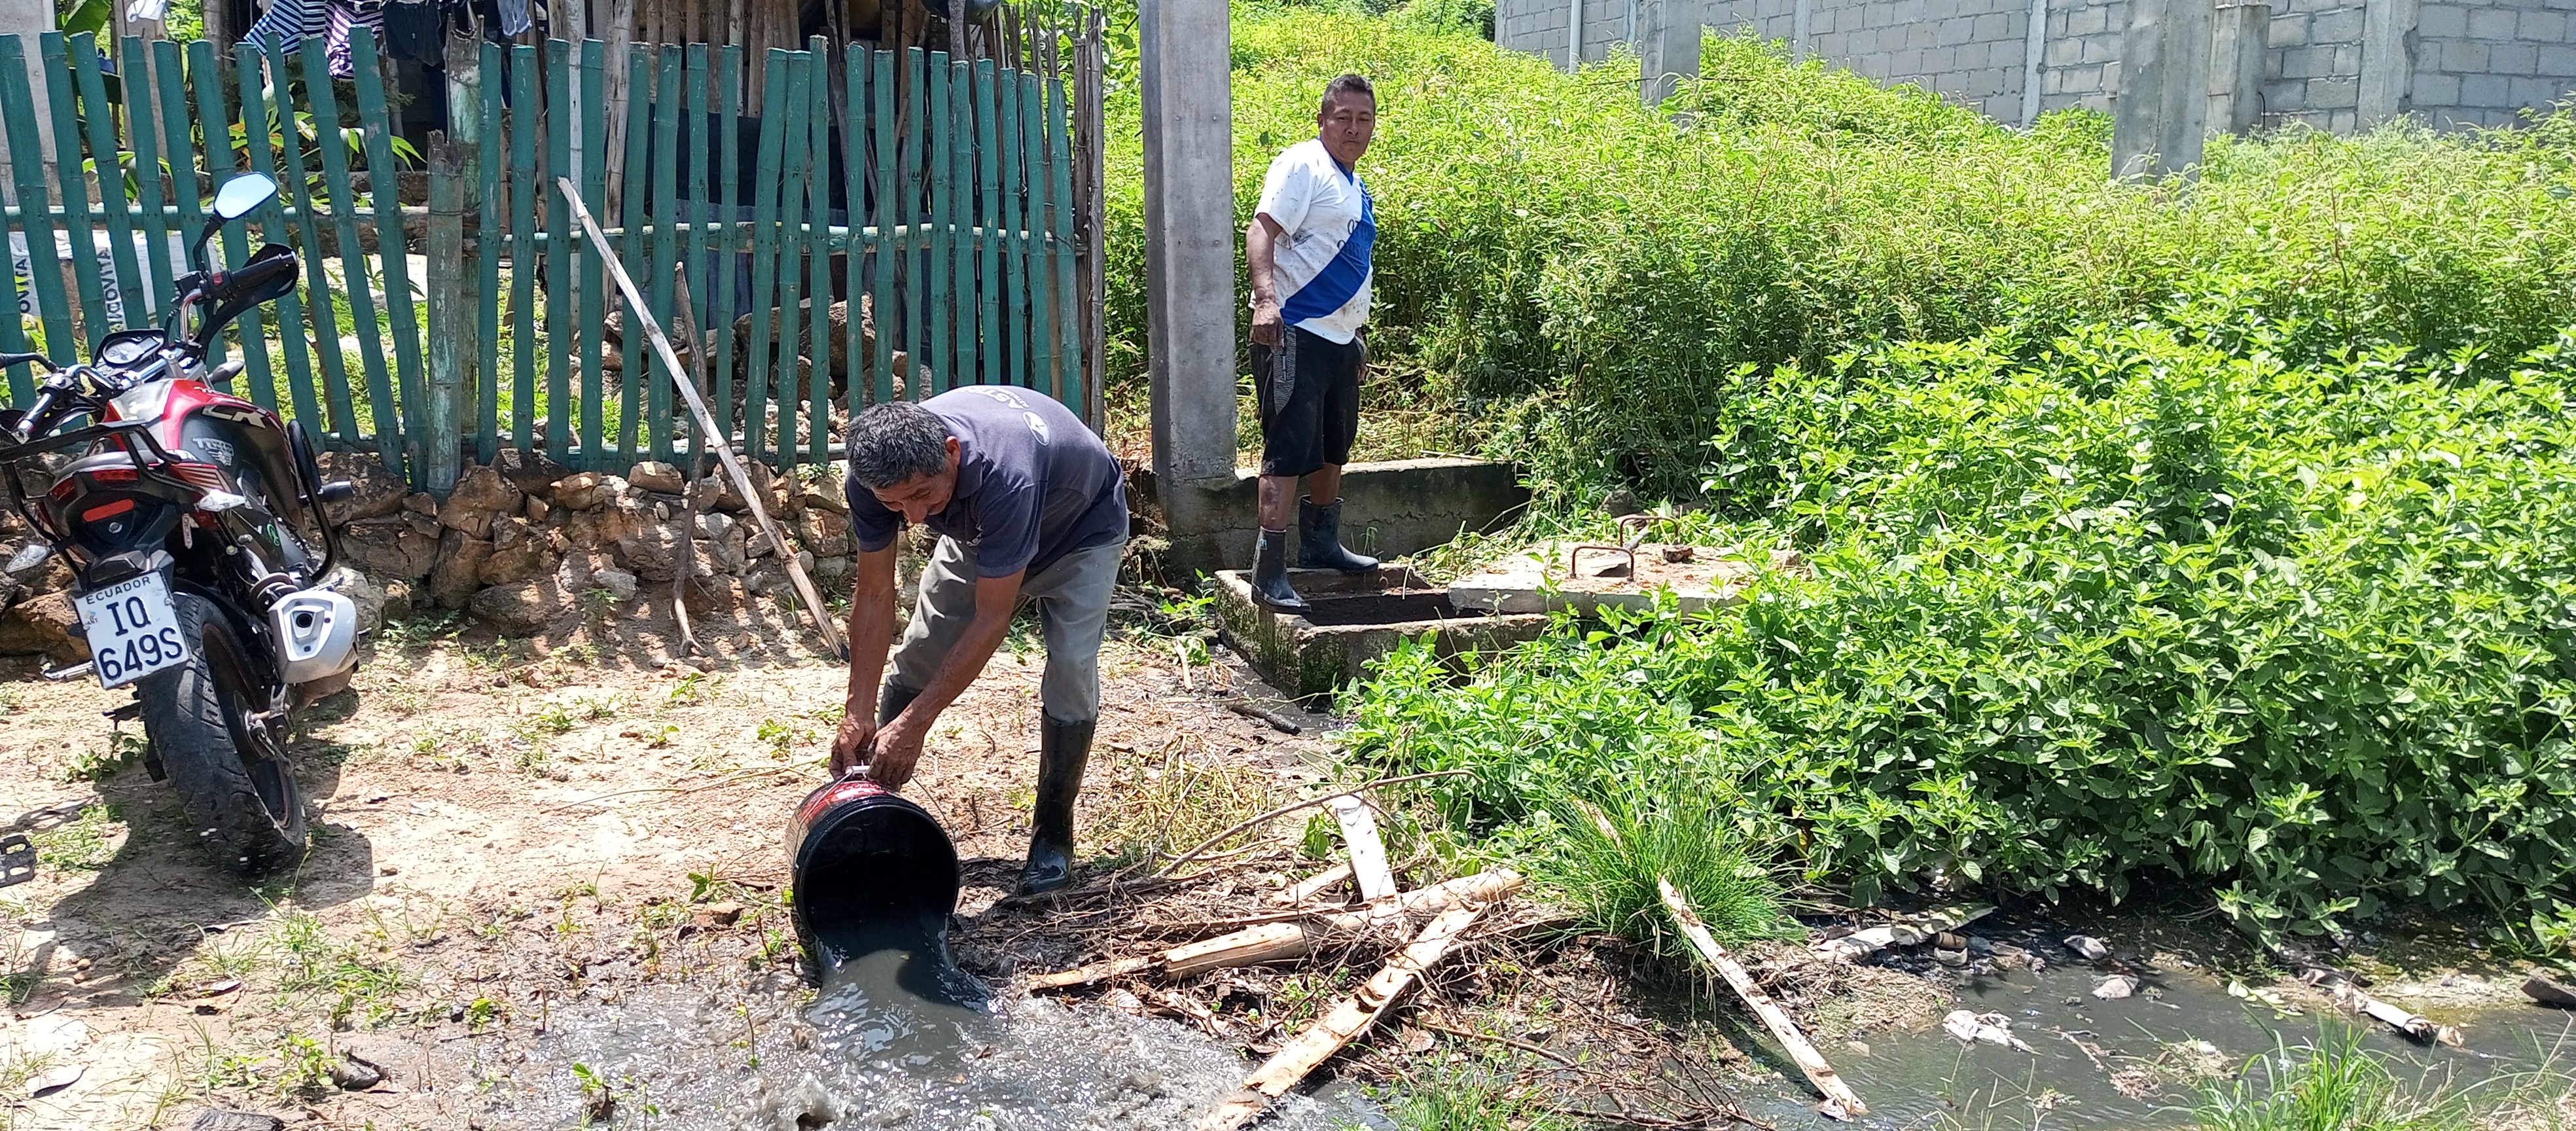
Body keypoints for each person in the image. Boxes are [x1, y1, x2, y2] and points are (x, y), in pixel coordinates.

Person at [829, 386, 1130, 895]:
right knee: (921, 652)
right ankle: (881, 810)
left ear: (952, 452)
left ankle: (1053, 835)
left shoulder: (1006, 474)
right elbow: (875, 594)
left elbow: (993, 618)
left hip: (1080, 533)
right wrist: (857, 710)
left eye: (922, 495)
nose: (913, 518)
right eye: (893, 503)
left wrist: (916, 724)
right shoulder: (874, 477)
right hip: (979, 535)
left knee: (1071, 669)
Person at [1245, 72, 1384, 613]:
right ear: (1323, 120)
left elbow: (1352, 263)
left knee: (1333, 446)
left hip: (1338, 338)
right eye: (1343, 118)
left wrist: (1357, 336)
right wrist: (1265, 300)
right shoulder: (1303, 163)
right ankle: (1268, 572)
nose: (1353, 128)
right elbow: (1262, 230)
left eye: (1364, 119)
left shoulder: (1354, 185)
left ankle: (1321, 544)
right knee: (1287, 451)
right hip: (1295, 330)